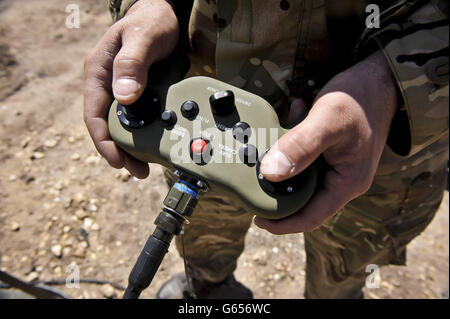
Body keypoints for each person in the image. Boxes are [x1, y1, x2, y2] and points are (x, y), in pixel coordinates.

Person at [83, 0, 449, 298]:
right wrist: (149, 4)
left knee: (344, 266)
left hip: (376, 133)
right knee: (203, 238)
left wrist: (391, 81)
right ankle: (210, 294)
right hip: (201, 82)